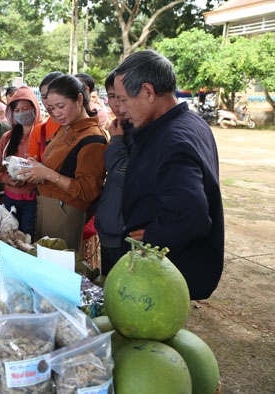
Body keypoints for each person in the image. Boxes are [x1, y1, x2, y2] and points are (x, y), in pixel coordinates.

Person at [114, 49, 224, 300]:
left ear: (148, 92)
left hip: (168, 272)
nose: (119, 108)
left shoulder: (174, 140)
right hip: (164, 269)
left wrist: (153, 237)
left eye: (123, 99)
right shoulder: (186, 122)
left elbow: (191, 214)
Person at [19, 74, 107, 255]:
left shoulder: (93, 138)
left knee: (58, 266)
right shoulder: (67, 127)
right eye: (51, 108)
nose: (56, 113)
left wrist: (48, 174)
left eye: (61, 106)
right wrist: (38, 168)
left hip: (65, 211)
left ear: (80, 99)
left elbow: (88, 191)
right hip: (48, 205)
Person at [94, 70, 135, 275]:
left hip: (126, 235)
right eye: (112, 96)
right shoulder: (122, 128)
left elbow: (124, 175)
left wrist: (116, 142)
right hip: (111, 228)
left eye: (122, 97)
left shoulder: (139, 131)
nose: (117, 104)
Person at [0, 86, 42, 240]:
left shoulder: (44, 137)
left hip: (34, 200)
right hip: (9, 198)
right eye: (17, 110)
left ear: (35, 109)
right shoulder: (8, 137)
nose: (21, 113)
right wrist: (7, 179)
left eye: (25, 108)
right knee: (8, 236)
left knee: (29, 238)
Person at [27, 71, 63, 162]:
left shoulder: (78, 128)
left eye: (52, 95)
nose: (48, 103)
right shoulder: (39, 130)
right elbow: (32, 163)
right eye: (44, 97)